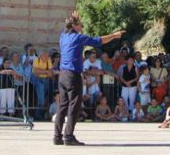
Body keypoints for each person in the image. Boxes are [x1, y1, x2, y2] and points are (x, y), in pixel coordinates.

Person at [53, 10, 124, 146]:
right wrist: (114, 36)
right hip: (73, 75)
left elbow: (67, 28)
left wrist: (73, 20)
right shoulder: (78, 38)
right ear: (74, 26)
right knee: (74, 105)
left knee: (62, 106)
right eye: (80, 24)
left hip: (62, 75)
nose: (82, 27)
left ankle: (57, 136)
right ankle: (68, 137)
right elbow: (99, 41)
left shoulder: (63, 36)